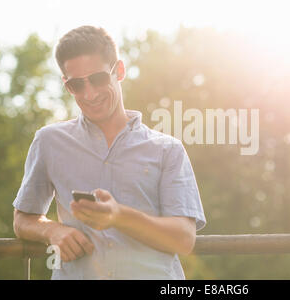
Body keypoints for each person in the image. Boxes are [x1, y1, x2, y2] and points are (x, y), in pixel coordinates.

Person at [12, 25, 206, 279]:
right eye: (76, 85)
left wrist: (119, 216)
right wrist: (52, 231)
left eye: (98, 79)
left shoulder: (168, 150)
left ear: (120, 71)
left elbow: (184, 239)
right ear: (65, 84)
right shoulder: (48, 141)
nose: (89, 94)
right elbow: (23, 219)